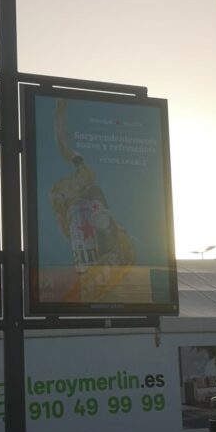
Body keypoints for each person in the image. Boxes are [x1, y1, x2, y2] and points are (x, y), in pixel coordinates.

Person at [48, 100, 134, 300]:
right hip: (93, 259)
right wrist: (59, 114)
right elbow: (63, 144)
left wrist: (105, 228)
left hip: (112, 253)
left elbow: (65, 146)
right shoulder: (65, 206)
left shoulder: (88, 186)